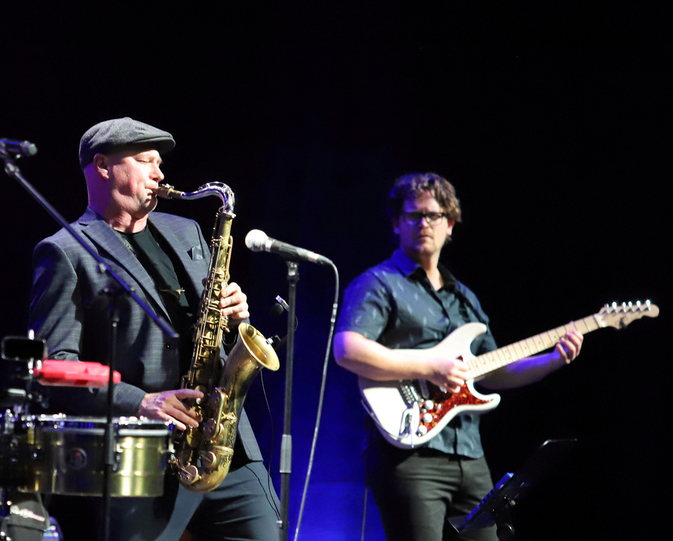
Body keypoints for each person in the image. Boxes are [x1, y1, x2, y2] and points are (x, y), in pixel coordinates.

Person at [28, 117, 281, 541]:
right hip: (141, 459)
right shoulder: (65, 250)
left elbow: (208, 328)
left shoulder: (189, 232)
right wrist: (141, 402)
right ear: (104, 166)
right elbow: (54, 367)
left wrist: (236, 316)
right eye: (146, 161)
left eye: (160, 163)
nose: (160, 174)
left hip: (223, 447)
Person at [332, 172, 583, 541]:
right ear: (397, 223)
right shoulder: (379, 283)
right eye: (413, 215)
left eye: (433, 216)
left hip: (469, 454)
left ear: (449, 225)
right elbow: (348, 349)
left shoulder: (465, 298)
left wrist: (552, 361)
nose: (423, 224)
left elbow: (493, 370)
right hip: (408, 455)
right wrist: (430, 366)